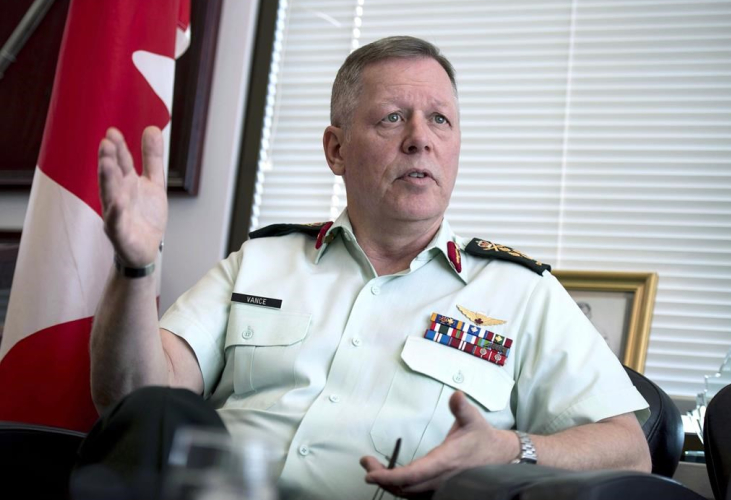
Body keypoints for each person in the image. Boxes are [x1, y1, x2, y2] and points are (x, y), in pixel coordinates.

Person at [90, 36, 651, 499]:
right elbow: (136, 400)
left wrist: (512, 450)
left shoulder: (521, 293)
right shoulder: (259, 262)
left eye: (439, 121)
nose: (420, 141)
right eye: (391, 118)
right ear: (335, 150)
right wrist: (135, 268)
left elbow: (630, 450)